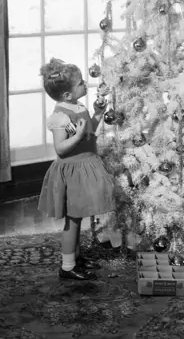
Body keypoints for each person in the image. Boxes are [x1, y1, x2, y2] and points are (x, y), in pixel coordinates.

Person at [38, 58, 116, 280]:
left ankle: (76, 257)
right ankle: (67, 267)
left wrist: (98, 114)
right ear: (67, 95)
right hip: (72, 172)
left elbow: (90, 130)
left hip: (85, 167)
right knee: (72, 221)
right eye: (81, 83)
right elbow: (61, 149)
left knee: (78, 217)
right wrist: (79, 135)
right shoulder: (60, 117)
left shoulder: (78, 107)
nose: (85, 84)